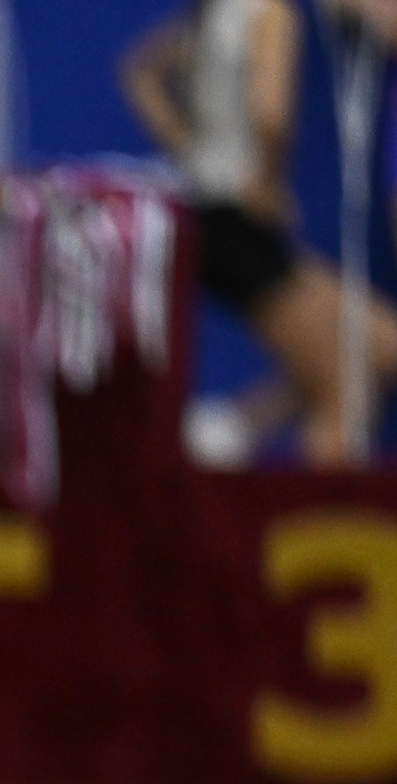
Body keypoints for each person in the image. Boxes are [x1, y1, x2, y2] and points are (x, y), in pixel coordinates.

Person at [124, 0, 397, 462]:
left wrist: (187, 148)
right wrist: (269, 180)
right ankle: (322, 518)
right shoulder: (271, 14)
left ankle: (232, 427)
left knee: (369, 349)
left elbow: (140, 74)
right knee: (345, 388)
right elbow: (271, 112)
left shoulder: (208, 15)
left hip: (209, 215)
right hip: (237, 222)